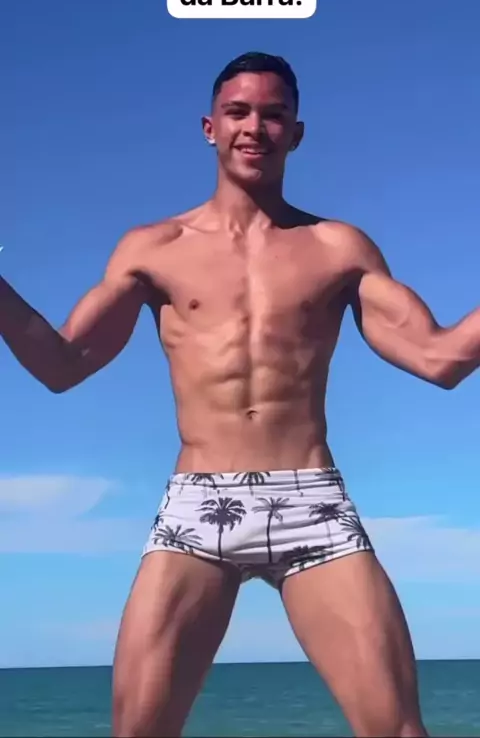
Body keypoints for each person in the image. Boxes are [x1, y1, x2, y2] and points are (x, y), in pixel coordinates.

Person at [1, 51, 478, 738]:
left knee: (398, 730)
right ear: (210, 127)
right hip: (198, 505)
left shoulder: (338, 248)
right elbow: (63, 364)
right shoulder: (153, 248)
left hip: (310, 503)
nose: (255, 127)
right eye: (238, 112)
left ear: (296, 133)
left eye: (274, 115)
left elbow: (440, 359)